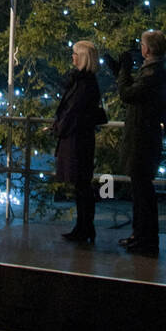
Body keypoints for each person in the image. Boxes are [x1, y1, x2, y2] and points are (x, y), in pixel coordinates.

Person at [117, 29, 166, 254]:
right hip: (144, 136)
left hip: (142, 138)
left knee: (142, 191)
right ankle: (140, 234)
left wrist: (124, 70)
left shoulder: (152, 73)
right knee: (140, 191)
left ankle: (145, 237)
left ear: (148, 48)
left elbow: (128, 95)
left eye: (142, 45)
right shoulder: (153, 71)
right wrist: (121, 71)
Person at [53, 40, 104, 246]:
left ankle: (85, 227)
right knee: (81, 185)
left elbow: (73, 111)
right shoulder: (81, 81)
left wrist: (59, 128)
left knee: (82, 185)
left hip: (78, 139)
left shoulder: (85, 83)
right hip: (77, 138)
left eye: (75, 54)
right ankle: (83, 226)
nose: (72, 57)